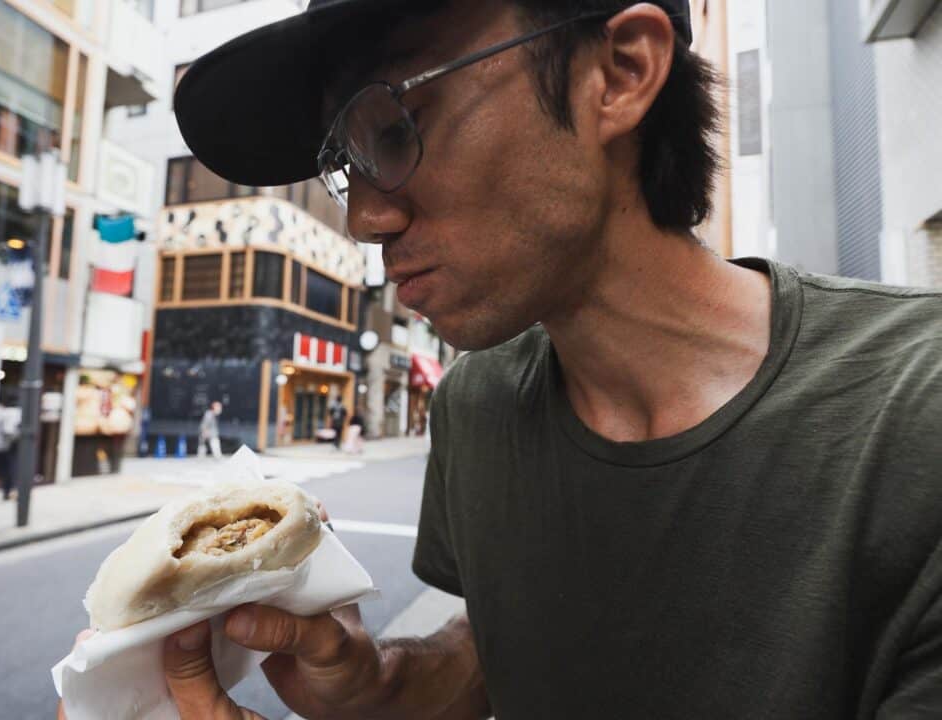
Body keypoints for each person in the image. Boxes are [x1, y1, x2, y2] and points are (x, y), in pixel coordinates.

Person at [63, 1, 942, 718]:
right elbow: (499, 657)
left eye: (395, 123)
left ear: (622, 71)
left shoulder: (913, 413)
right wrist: (377, 687)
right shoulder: (478, 403)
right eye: (343, 160)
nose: (368, 217)